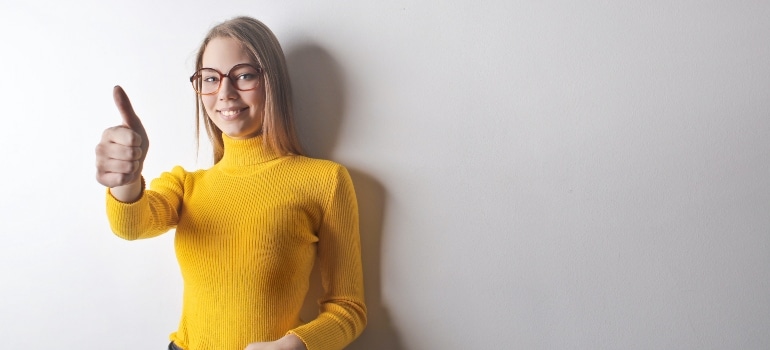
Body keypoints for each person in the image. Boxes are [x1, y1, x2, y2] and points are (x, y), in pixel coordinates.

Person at [95, 16, 366, 350]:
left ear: (273, 82)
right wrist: (126, 179)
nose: (224, 93)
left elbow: (348, 307)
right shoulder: (185, 184)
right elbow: (131, 227)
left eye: (244, 76)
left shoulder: (325, 181)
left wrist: (295, 345)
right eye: (210, 79)